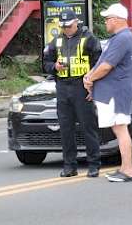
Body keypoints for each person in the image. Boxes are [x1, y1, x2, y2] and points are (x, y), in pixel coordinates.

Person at [42, 9, 102, 178]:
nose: (66, 29)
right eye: (63, 26)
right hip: (63, 87)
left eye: (69, 26)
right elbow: (45, 62)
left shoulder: (89, 39)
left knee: (88, 127)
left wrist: (94, 86)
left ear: (76, 22)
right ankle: (69, 165)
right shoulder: (56, 41)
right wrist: (54, 67)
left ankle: (93, 164)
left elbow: (99, 64)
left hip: (82, 86)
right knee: (66, 129)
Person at [84, 3, 132, 182]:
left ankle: (128, 170)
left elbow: (107, 66)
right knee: (118, 128)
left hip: (116, 92)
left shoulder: (122, 38)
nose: (105, 21)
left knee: (121, 128)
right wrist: (90, 76)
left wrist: (90, 79)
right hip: (112, 91)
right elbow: (102, 63)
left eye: (107, 19)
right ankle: (124, 168)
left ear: (116, 19)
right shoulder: (118, 38)